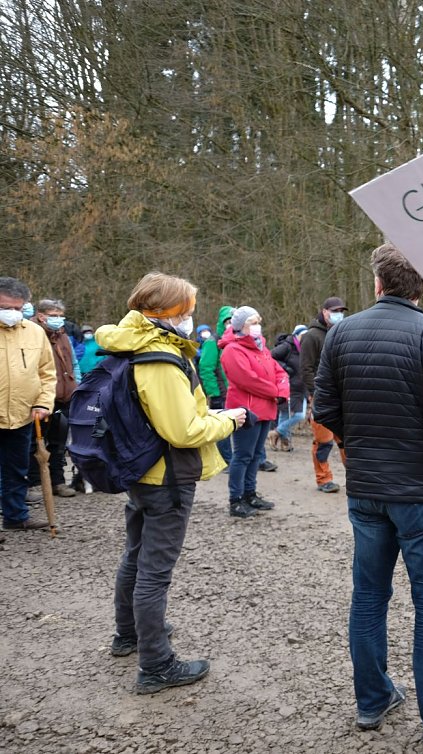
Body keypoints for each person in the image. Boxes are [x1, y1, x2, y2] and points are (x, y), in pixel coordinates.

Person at [314, 243, 423, 746]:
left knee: (369, 595)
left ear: (378, 283)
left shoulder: (343, 333)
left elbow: (326, 406)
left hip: (368, 489)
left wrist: (354, 447)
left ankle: (372, 700)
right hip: (419, 493)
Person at [99, 272, 246, 693]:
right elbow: (183, 430)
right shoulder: (161, 359)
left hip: (141, 470)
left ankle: (129, 634)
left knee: (136, 556)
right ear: (168, 313)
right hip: (165, 475)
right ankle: (156, 665)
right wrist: (227, 419)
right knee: (154, 571)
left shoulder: (131, 342)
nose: (191, 316)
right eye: (187, 310)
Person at [220, 306, 289, 518]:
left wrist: (282, 390)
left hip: (265, 409)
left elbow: (279, 372)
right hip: (246, 410)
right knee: (242, 455)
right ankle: (236, 499)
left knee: (256, 455)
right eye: (253, 322)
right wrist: (275, 391)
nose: (258, 326)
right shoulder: (232, 350)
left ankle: (250, 494)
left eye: (258, 321)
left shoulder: (261, 348)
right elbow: (247, 380)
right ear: (241, 326)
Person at [0, 277, 56, 531]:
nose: (12, 313)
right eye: (5, 307)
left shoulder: (35, 332)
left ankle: (16, 516)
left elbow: (47, 371)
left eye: (17, 308)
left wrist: (44, 403)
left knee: (17, 468)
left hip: (23, 414)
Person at [28, 298, 81, 498]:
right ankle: (35, 483)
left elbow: (73, 362)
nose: (58, 320)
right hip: (41, 399)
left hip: (64, 397)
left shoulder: (63, 336)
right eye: (53, 316)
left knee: (59, 444)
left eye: (60, 316)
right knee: (36, 444)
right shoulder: (32, 335)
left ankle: (57, 481)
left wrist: (77, 385)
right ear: (41, 316)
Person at [301, 296, 348, 493]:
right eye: (334, 311)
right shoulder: (311, 336)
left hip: (341, 395)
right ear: (324, 311)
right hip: (321, 395)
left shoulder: (341, 333)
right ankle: (323, 478)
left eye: (341, 311)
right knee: (324, 441)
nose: (339, 315)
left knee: (345, 439)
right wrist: (314, 394)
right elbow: (306, 369)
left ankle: (356, 475)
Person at [198, 306, 234, 465]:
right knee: (222, 427)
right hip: (221, 391)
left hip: (233, 390)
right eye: (228, 321)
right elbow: (206, 368)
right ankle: (226, 459)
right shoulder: (213, 342)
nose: (231, 324)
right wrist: (215, 392)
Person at [270, 324, 308, 452]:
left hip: (301, 386)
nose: (305, 338)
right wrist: (285, 369)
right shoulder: (287, 346)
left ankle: (278, 435)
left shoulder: (306, 348)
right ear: (296, 335)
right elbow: (270, 357)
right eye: (303, 335)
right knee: (292, 414)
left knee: (294, 414)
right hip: (288, 384)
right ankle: (281, 437)